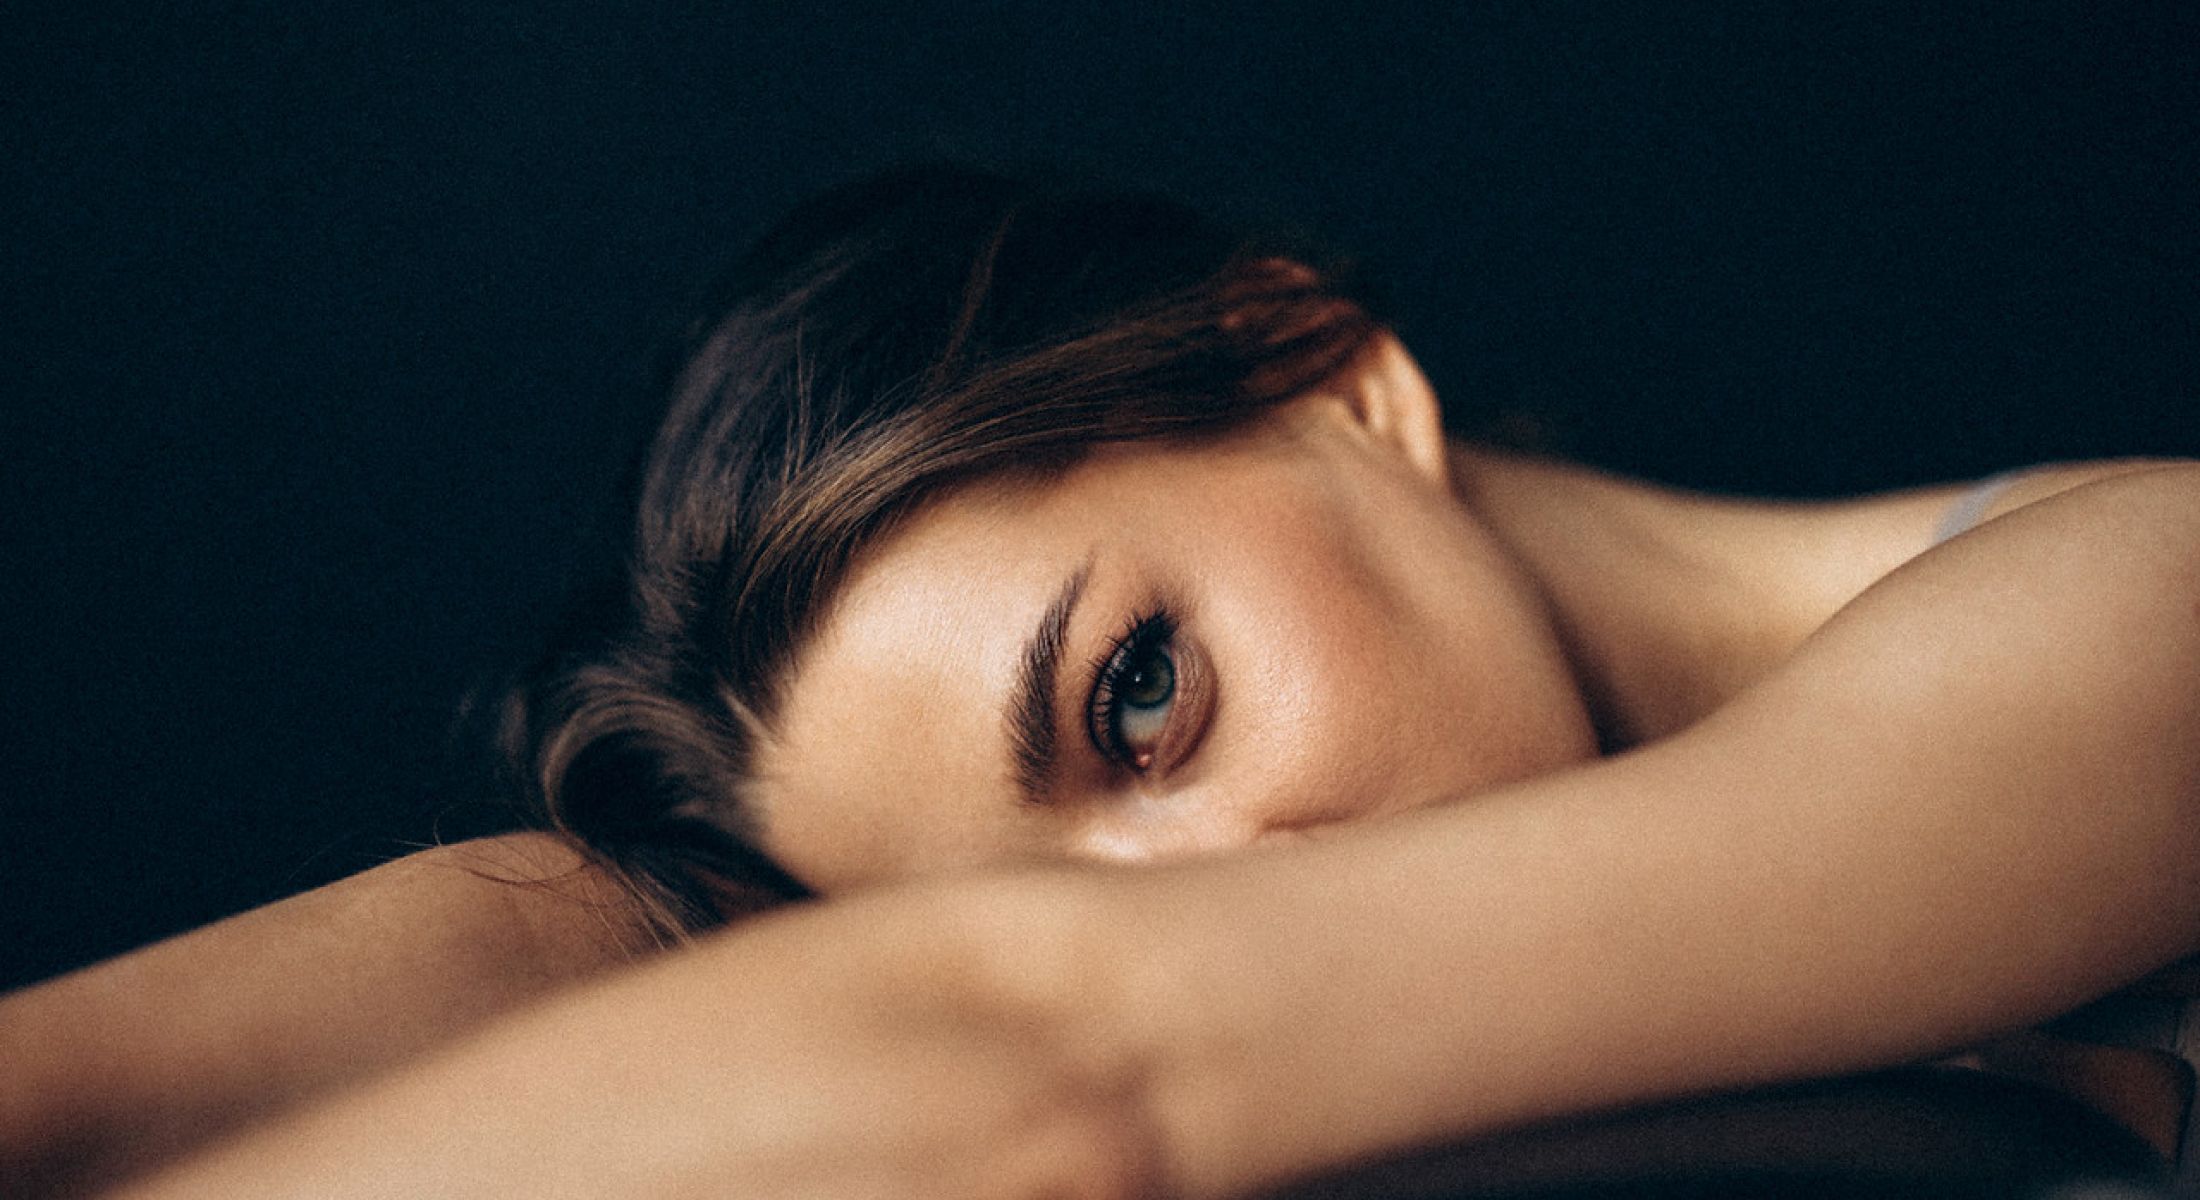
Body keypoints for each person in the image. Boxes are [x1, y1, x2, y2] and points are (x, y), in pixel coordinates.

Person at [3, 165, 2196, 1198]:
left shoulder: (2129, 605)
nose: (1209, 888)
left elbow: (1062, 1047)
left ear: (1318, 374)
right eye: (1084, 878)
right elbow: (630, 944)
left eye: (1139, 700)